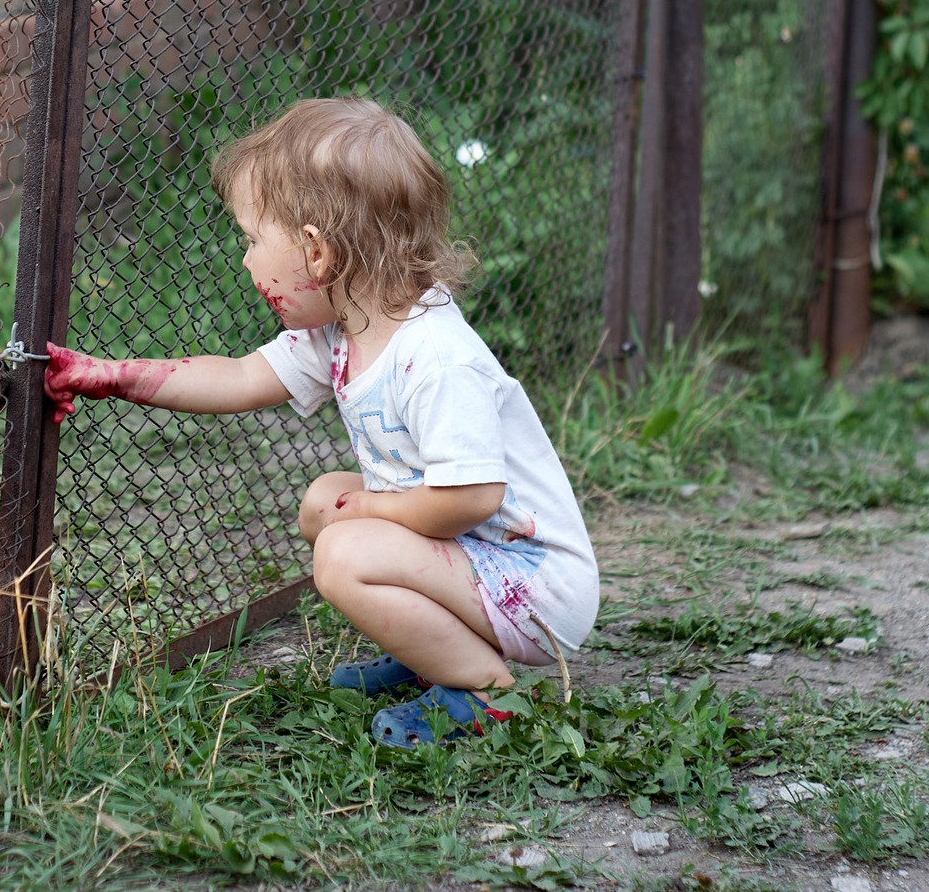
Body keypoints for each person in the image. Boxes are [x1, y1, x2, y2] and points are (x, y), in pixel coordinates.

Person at [43, 97, 597, 747]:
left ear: (317, 252)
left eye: (253, 240)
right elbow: (242, 376)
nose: (246, 261)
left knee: (341, 549)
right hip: (479, 557)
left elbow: (471, 497)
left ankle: (481, 689)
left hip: (533, 584)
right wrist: (114, 374)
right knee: (321, 508)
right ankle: (432, 655)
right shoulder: (345, 328)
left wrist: (369, 503)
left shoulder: (436, 358)